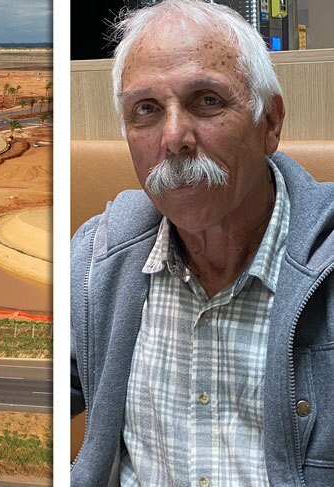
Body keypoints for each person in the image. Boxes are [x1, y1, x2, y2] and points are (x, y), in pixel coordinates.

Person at [70, 1, 334, 486]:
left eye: (207, 100)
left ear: (270, 123)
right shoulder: (97, 257)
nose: (174, 138)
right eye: (145, 110)